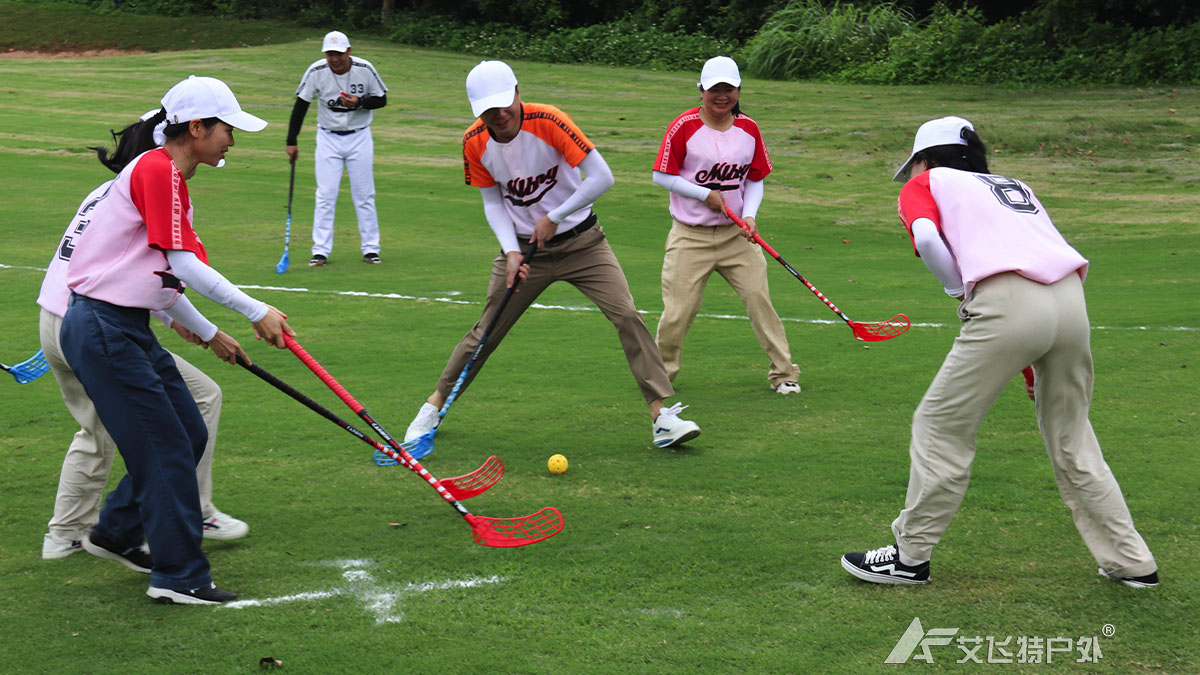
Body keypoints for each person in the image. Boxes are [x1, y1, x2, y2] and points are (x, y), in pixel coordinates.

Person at [840, 116, 1158, 588]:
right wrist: (1031, 367)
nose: (910, 175)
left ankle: (909, 556)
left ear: (928, 158)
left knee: (940, 424)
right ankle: (1133, 562)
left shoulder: (927, 181)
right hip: (1071, 304)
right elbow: (1036, 264)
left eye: (913, 165)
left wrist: (957, 290)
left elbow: (927, 237)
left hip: (1008, 302)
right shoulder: (1015, 185)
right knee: (1073, 436)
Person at [59, 75, 295, 605]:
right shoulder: (156, 169)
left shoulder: (170, 178)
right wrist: (258, 311)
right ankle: (180, 575)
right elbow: (183, 262)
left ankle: (117, 530)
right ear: (196, 128)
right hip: (102, 327)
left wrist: (212, 333)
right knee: (164, 449)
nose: (232, 139)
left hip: (125, 325)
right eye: (227, 129)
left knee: (187, 431)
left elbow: (163, 277)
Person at [403, 60, 700, 449]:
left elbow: (602, 177)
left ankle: (661, 417)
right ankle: (433, 407)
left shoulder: (550, 121)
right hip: (526, 254)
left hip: (584, 243)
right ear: (478, 111)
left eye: (505, 104)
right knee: (485, 333)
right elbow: (493, 202)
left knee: (627, 316)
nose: (501, 114)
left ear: (518, 92)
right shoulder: (474, 141)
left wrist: (554, 217)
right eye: (490, 110)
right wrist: (511, 251)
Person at [38, 112, 248, 563]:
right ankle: (102, 529)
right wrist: (226, 324)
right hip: (87, 320)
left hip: (64, 317)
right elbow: (159, 267)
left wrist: (188, 325)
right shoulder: (151, 181)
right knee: (150, 421)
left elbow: (141, 271)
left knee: (130, 422)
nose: (231, 139)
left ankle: (85, 531)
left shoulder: (114, 189)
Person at [651, 56, 800, 395]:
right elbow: (661, 175)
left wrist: (750, 214)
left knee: (759, 300)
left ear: (737, 90)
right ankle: (660, 377)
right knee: (678, 312)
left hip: (737, 236)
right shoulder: (683, 126)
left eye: (728, 89)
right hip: (691, 236)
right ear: (701, 89)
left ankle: (784, 373)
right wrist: (703, 194)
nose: (722, 95)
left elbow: (756, 178)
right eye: (715, 88)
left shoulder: (749, 128)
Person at [285, 30, 388, 266]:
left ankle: (371, 249)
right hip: (328, 138)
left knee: (364, 195)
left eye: (339, 53)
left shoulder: (365, 68)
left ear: (348, 52)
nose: (334, 59)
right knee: (325, 195)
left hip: (359, 137)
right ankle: (320, 251)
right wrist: (291, 140)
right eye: (330, 54)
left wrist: (360, 103)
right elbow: (300, 106)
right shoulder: (316, 71)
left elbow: (381, 99)